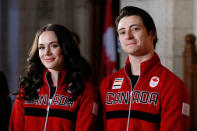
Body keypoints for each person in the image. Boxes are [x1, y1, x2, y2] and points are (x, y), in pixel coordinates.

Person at [99, 6, 190, 131]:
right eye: (122, 32)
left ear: (152, 33)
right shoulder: (107, 84)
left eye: (135, 29)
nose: (128, 36)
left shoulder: (172, 85)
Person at [9, 24, 98, 131]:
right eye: (41, 47)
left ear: (66, 48)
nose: (46, 52)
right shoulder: (27, 88)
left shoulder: (86, 91)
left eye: (54, 46)